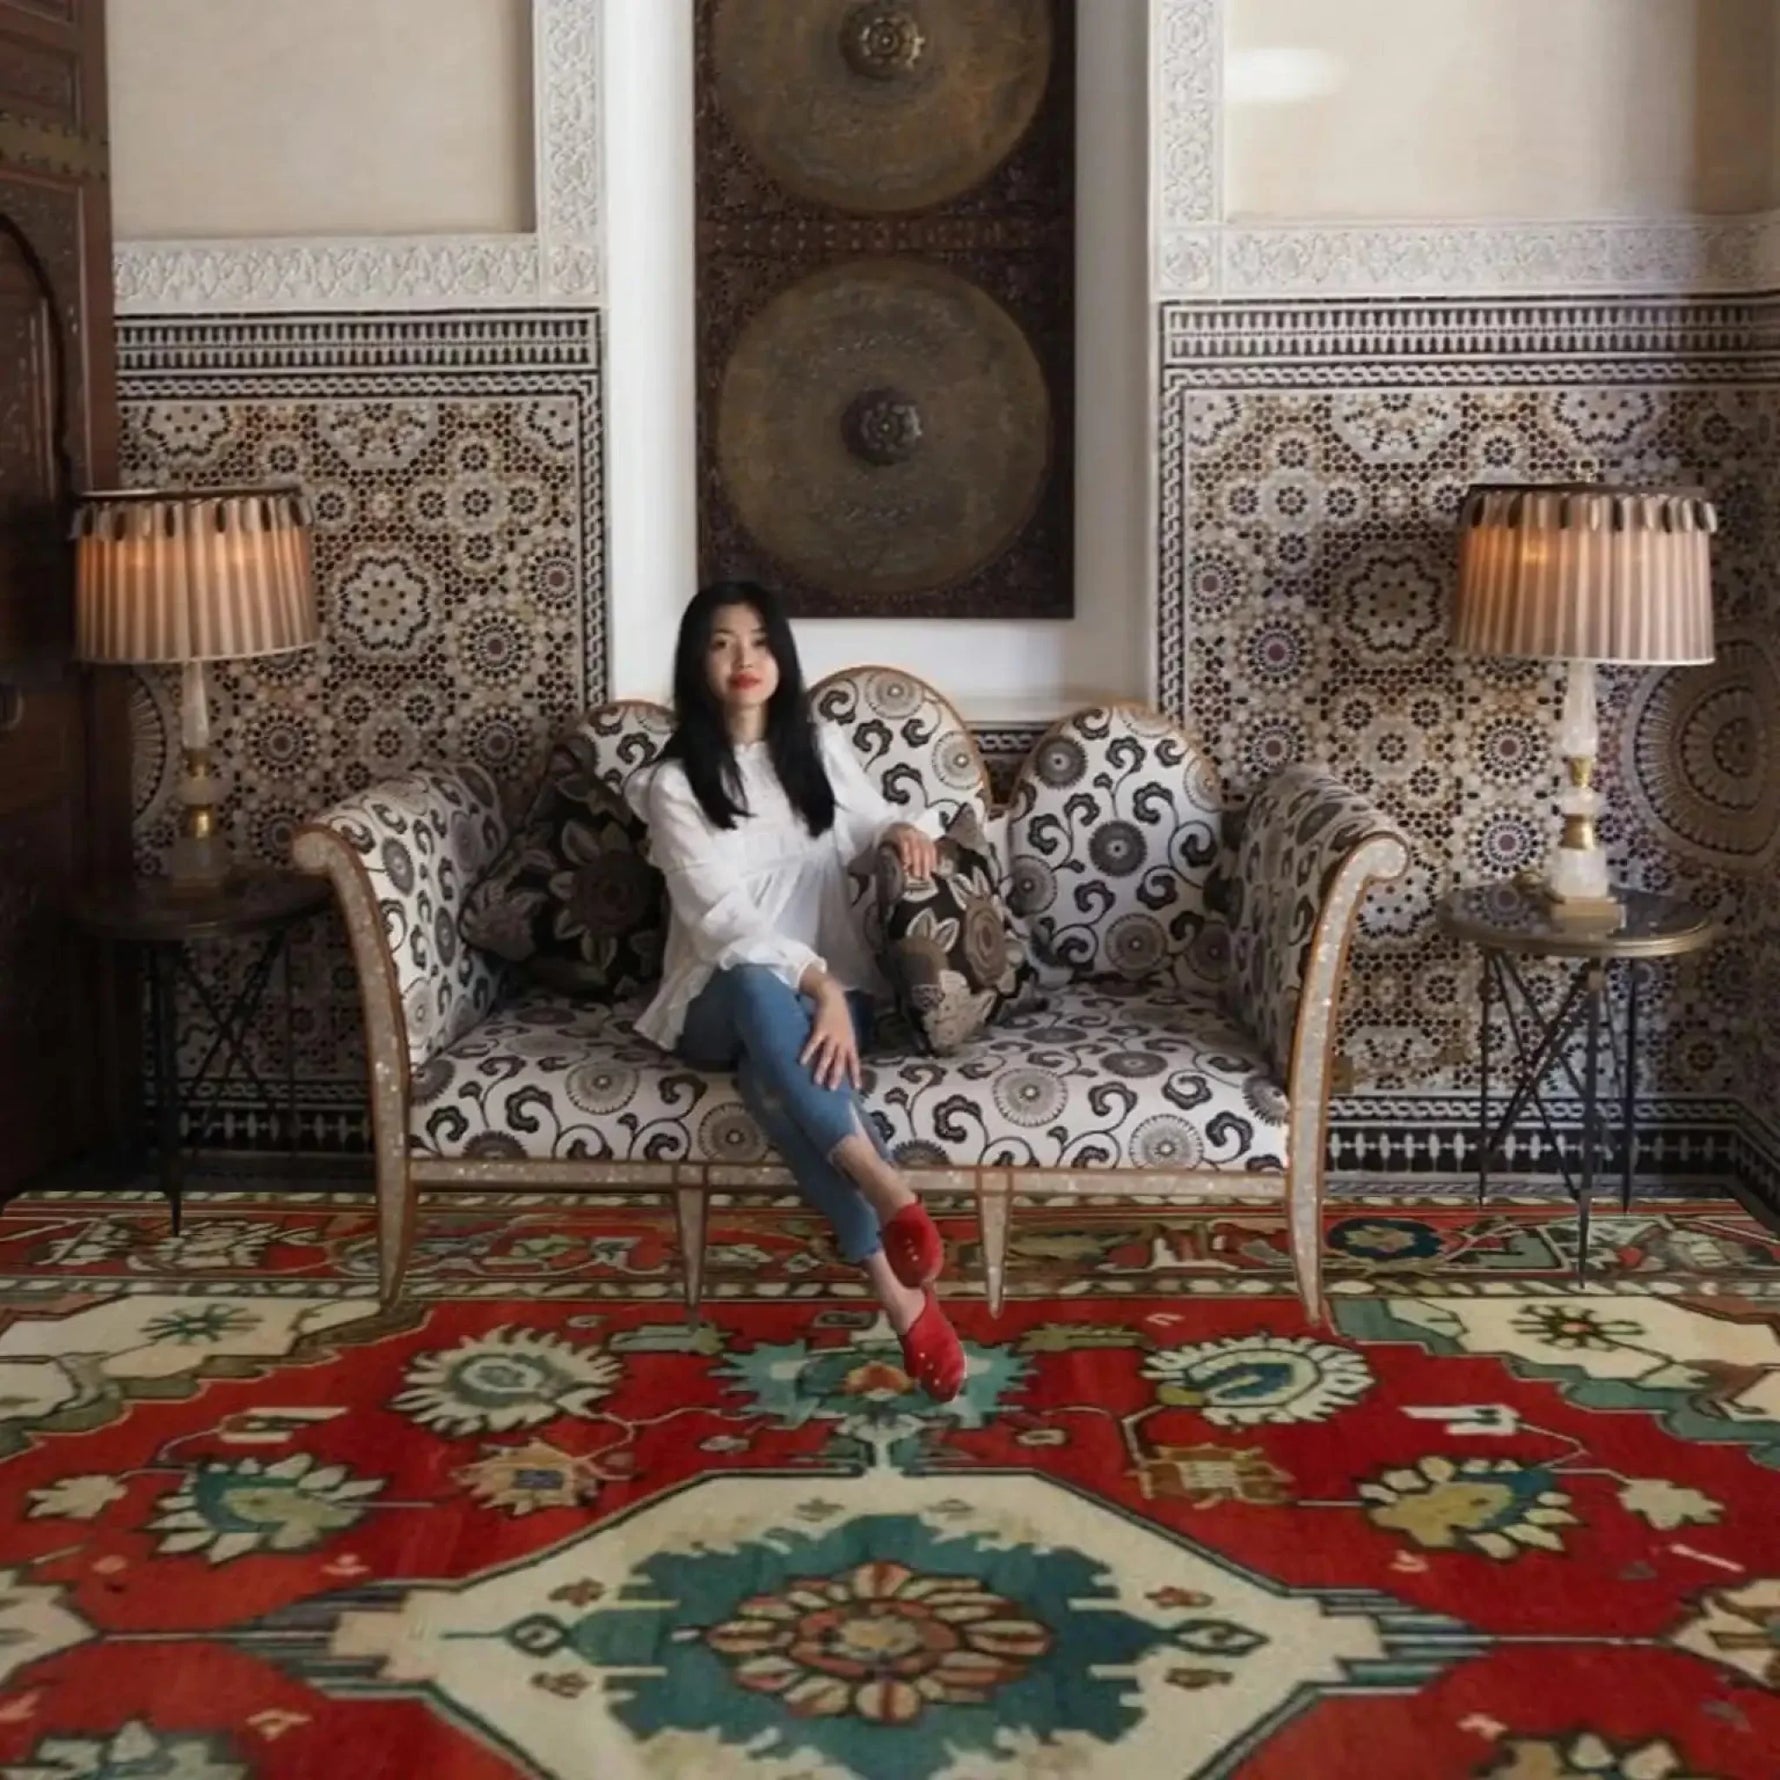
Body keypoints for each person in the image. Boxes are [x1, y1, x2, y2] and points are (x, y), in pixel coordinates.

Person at [628, 580, 966, 1401]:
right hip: (715, 998)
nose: (744, 660)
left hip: (821, 1003)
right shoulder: (674, 785)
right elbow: (722, 920)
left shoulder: (815, 746)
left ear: (780, 654)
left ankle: (899, 1295)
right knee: (752, 984)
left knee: (772, 1086)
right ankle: (889, 1189)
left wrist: (899, 828)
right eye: (720, 642)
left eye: (759, 641)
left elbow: (867, 822)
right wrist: (816, 985)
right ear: (697, 662)